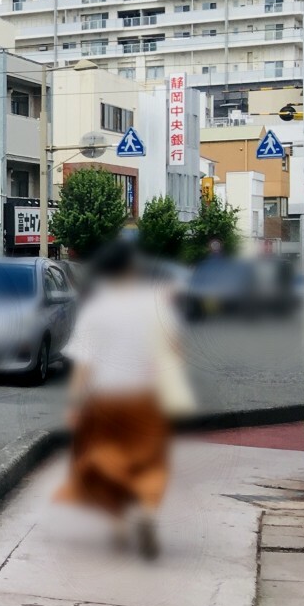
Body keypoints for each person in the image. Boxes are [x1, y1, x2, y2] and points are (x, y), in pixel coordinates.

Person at [58, 237, 193, 558]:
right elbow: (174, 350)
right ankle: (146, 513)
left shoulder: (97, 309)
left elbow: (84, 364)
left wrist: (76, 404)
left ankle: (118, 524)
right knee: (148, 460)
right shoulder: (155, 303)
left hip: (104, 398)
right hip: (144, 396)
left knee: (106, 461)